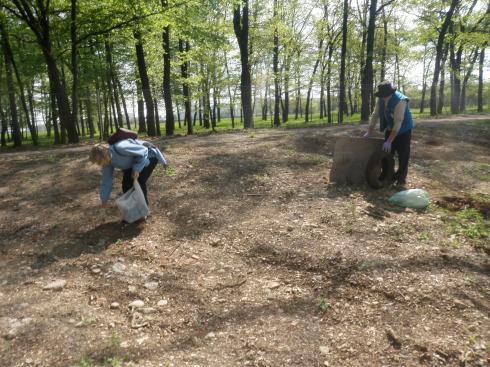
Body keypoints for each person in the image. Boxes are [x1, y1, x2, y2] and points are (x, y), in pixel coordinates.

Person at [89, 139, 168, 208]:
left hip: (149, 156)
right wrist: (104, 199)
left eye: (99, 162)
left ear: (104, 156)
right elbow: (106, 181)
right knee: (126, 185)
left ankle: (143, 210)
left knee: (139, 182)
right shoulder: (106, 163)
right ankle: (132, 210)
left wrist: (137, 170)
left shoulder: (121, 148)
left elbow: (143, 151)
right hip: (132, 162)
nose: (99, 164)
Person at [364, 81, 413, 186]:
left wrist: (390, 140)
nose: (384, 98)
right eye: (382, 96)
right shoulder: (381, 99)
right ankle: (388, 176)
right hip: (391, 127)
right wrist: (369, 131)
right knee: (387, 153)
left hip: (404, 129)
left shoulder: (400, 101)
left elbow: (398, 122)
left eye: (385, 96)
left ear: (391, 93)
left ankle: (400, 179)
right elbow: (375, 115)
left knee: (403, 155)